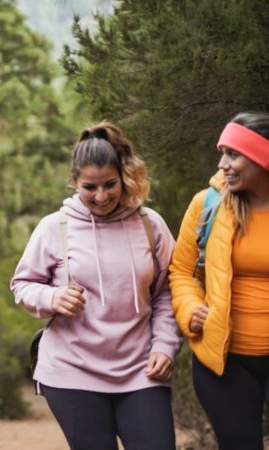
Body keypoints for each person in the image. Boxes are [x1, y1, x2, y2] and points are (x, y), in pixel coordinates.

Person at [10, 123, 182, 449]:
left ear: (124, 177)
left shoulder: (150, 224)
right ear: (74, 181)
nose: (101, 197)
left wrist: (164, 346)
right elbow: (22, 284)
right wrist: (52, 296)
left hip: (142, 368)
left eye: (110, 185)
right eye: (89, 187)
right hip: (72, 370)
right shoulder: (54, 227)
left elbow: (167, 292)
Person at [170, 111, 269, 449]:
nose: (222, 163)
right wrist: (190, 308)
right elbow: (182, 271)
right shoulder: (208, 204)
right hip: (224, 363)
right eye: (222, 152)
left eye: (233, 154)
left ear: (262, 158)